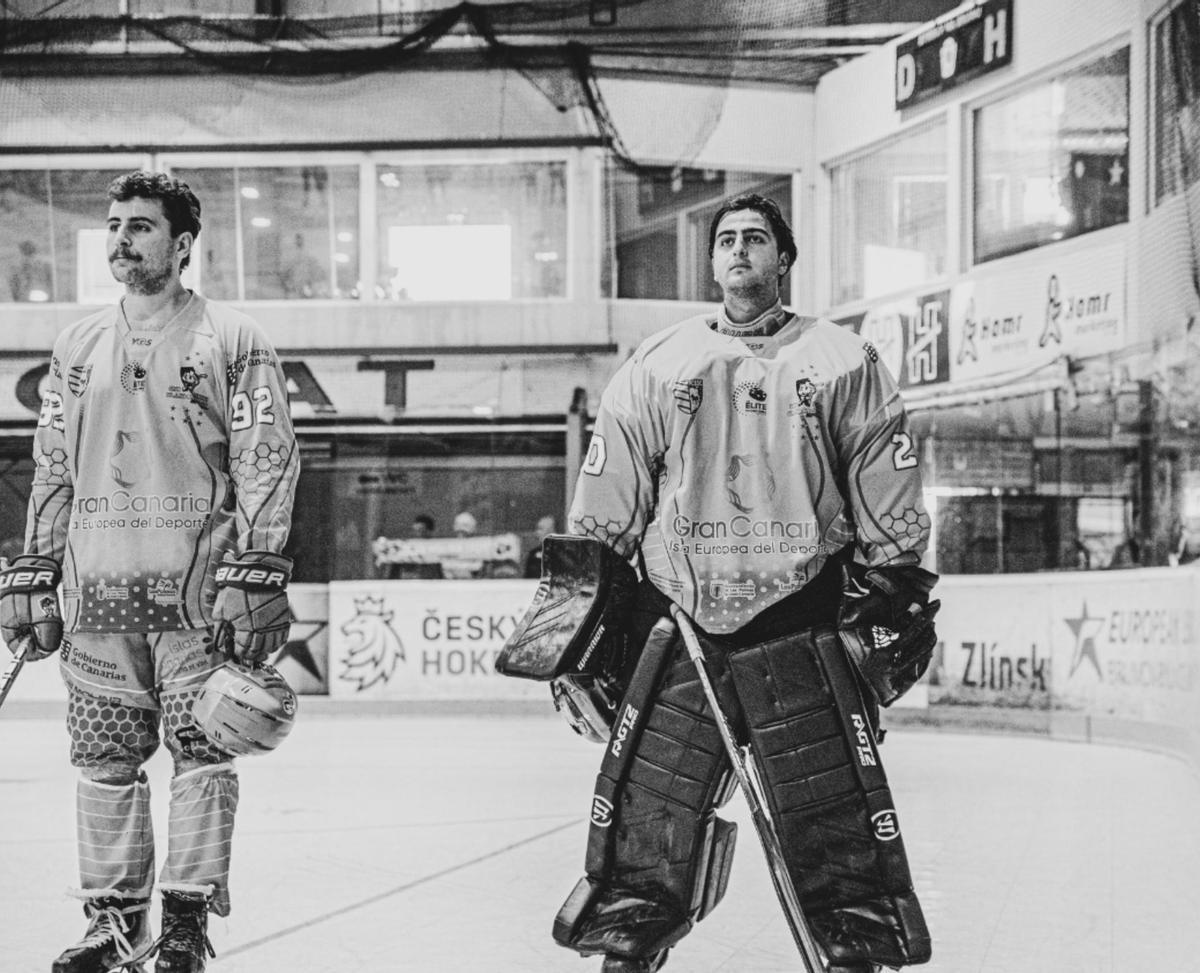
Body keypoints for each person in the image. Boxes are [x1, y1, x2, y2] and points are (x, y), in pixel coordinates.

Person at [508, 193, 939, 973]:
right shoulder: (657, 362)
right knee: (649, 815)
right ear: (712, 263)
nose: (740, 249)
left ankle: (855, 949)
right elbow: (608, 500)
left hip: (802, 621)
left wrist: (894, 595)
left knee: (833, 820)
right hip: (681, 624)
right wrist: (581, 618)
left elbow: (888, 490)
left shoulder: (844, 361)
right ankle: (630, 944)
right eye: (727, 239)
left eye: (757, 238)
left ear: (784, 258)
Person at [0, 170, 299, 973]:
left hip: (197, 599)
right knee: (103, 761)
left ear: (183, 243)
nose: (122, 239)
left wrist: (258, 566)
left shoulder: (233, 338)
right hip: (97, 594)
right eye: (114, 225)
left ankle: (184, 924)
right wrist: (34, 564)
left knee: (203, 755)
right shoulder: (75, 344)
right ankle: (113, 920)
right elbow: (53, 465)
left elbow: (265, 457)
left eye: (140, 226)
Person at [523, 514, 557, 579]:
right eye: (537, 529)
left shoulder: (563, 553)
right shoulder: (533, 554)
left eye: (541, 529)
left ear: (552, 531)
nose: (537, 533)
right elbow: (526, 579)